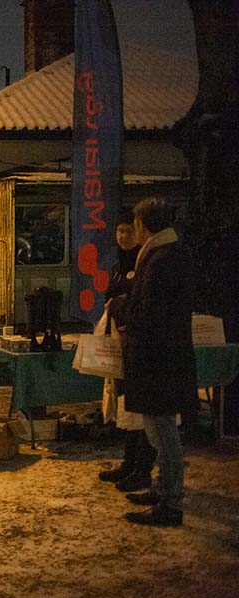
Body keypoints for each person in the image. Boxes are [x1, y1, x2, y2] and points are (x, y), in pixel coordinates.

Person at [110, 197, 197, 527]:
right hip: (161, 358)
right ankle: (162, 489)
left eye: (134, 224)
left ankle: (171, 502)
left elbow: (148, 312)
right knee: (158, 429)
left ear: (144, 225)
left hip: (159, 359)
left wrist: (119, 306)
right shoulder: (168, 253)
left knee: (163, 432)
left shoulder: (161, 260)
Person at [98, 212, 157, 492]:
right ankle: (129, 462)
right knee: (126, 405)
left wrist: (119, 303)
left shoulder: (147, 261)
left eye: (129, 231)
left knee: (142, 411)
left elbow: (135, 301)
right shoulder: (119, 262)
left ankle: (142, 469)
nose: (123, 236)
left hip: (139, 343)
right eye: (119, 231)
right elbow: (112, 294)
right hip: (121, 342)